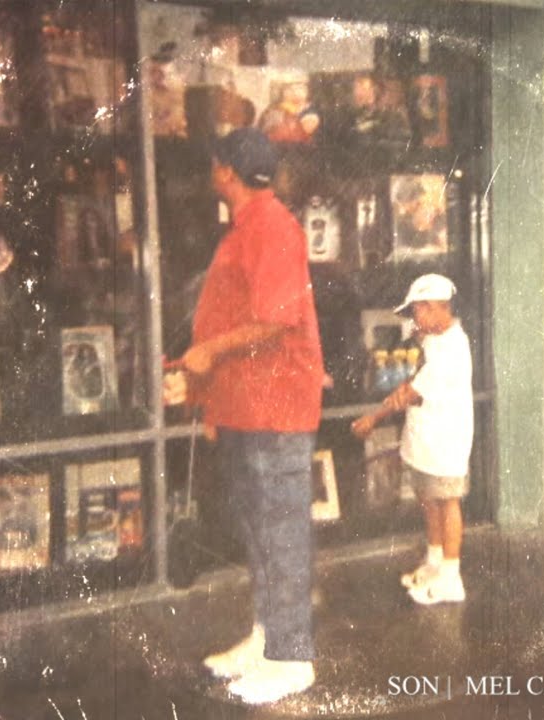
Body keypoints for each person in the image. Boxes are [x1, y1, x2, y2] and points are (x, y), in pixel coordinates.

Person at [161, 127, 325, 704]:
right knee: (259, 533)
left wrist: (209, 351)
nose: (211, 171)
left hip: (275, 409)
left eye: (214, 163)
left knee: (280, 533)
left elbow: (277, 320)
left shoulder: (273, 226)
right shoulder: (246, 227)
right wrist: (204, 386)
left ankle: (292, 658)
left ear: (225, 170)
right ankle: (266, 639)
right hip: (245, 405)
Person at [351, 274, 473, 605]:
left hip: (445, 443)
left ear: (435, 307)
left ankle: (451, 579)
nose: (414, 320)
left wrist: (372, 419)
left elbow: (410, 393)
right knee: (429, 501)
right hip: (425, 441)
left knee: (448, 503)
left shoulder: (452, 348)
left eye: (417, 311)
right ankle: (434, 563)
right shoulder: (434, 337)